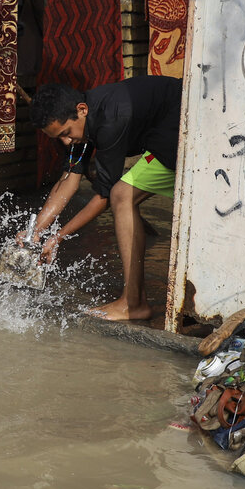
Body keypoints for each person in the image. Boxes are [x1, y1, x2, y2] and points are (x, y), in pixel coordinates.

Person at [27, 76, 183, 321]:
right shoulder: (85, 118)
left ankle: (133, 304)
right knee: (122, 193)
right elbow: (69, 177)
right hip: (163, 133)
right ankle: (134, 301)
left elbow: (103, 196)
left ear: (81, 110)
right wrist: (35, 232)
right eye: (59, 138)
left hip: (182, 128)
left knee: (120, 195)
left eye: (67, 133)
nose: (66, 141)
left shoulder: (112, 119)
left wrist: (58, 236)